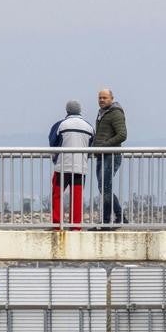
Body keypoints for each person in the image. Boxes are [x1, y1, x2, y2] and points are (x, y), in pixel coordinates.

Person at [49, 100, 94, 230]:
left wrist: (55, 159)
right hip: (81, 168)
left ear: (67, 110)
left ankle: (57, 225)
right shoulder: (89, 127)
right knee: (77, 197)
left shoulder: (61, 125)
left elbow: (53, 142)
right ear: (79, 110)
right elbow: (92, 145)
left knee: (57, 195)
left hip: (62, 167)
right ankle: (76, 227)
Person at [92, 88, 128, 228]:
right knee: (103, 188)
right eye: (100, 97)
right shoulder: (102, 114)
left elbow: (122, 135)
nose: (101, 100)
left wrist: (105, 146)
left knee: (105, 187)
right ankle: (118, 217)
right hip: (102, 155)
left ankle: (107, 220)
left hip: (111, 155)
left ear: (112, 98)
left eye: (105, 98)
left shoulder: (115, 114)